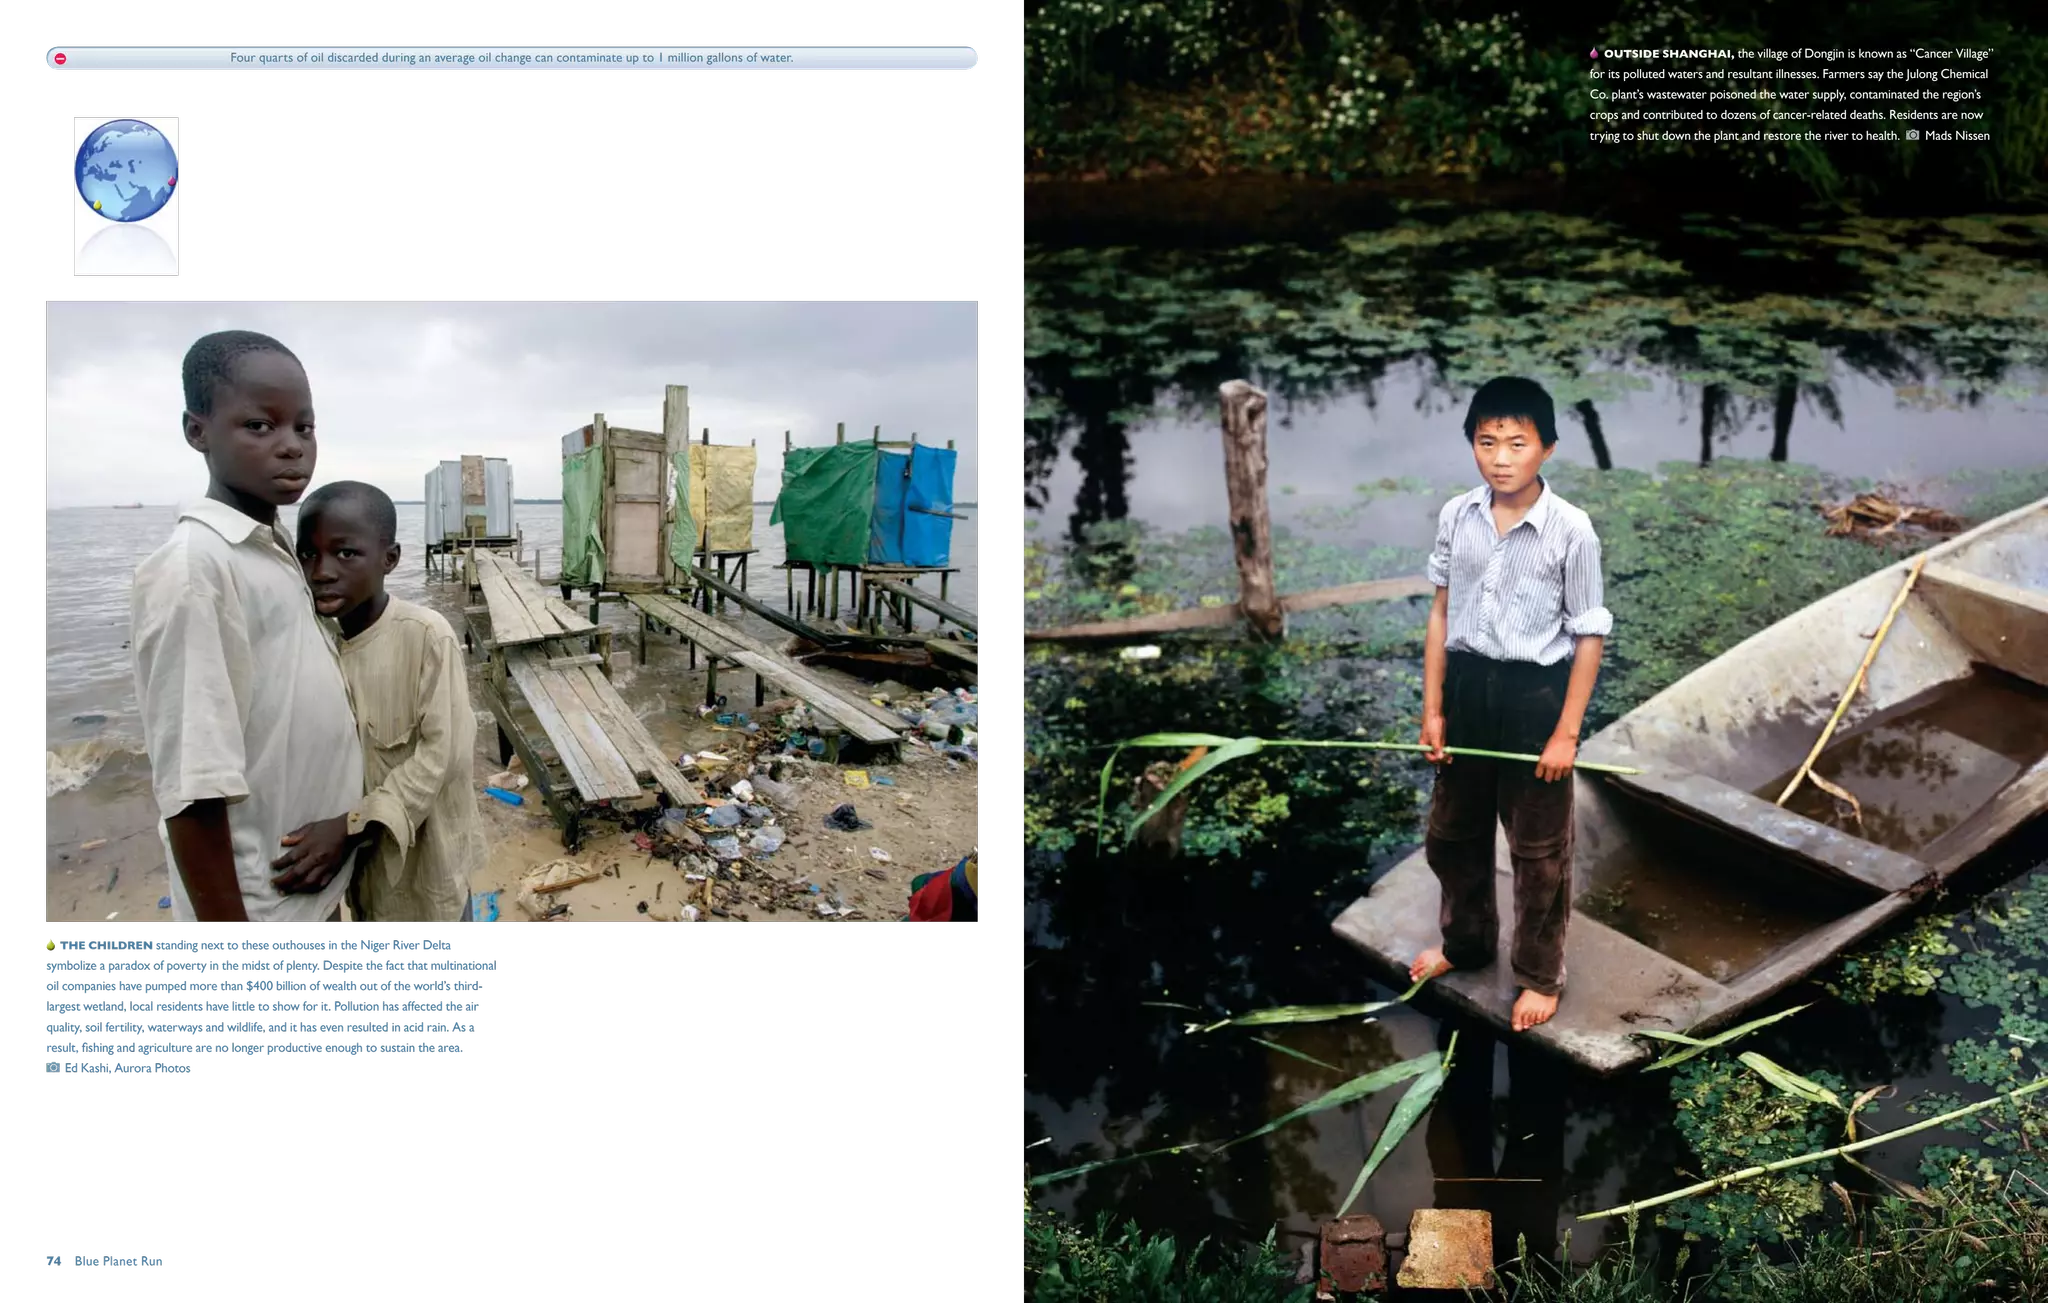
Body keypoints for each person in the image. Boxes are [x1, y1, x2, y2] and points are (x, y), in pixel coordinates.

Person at [131, 330, 365, 923]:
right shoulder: (196, 569)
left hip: (309, 885)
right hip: (260, 913)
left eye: (304, 427)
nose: (291, 448)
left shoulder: (271, 545)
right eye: (260, 426)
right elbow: (193, 787)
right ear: (198, 431)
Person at [1408, 376, 1610, 1032]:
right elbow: (1441, 614)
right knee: (1452, 833)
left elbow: (1588, 635)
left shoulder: (1571, 530)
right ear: (1472, 444)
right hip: (1467, 690)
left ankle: (1539, 973)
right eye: (1486, 441)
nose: (1500, 457)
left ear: (1547, 448)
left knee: (1538, 850)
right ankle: (1466, 943)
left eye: (1517, 443)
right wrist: (1433, 708)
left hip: (1534, 699)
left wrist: (1566, 733)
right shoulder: (1457, 515)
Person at [296, 481, 484, 923]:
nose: (321, 571)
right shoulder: (315, 643)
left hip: (428, 872)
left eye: (345, 553)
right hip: (361, 877)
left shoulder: (426, 637)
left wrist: (351, 825)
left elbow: (442, 756)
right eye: (308, 554)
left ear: (390, 558)